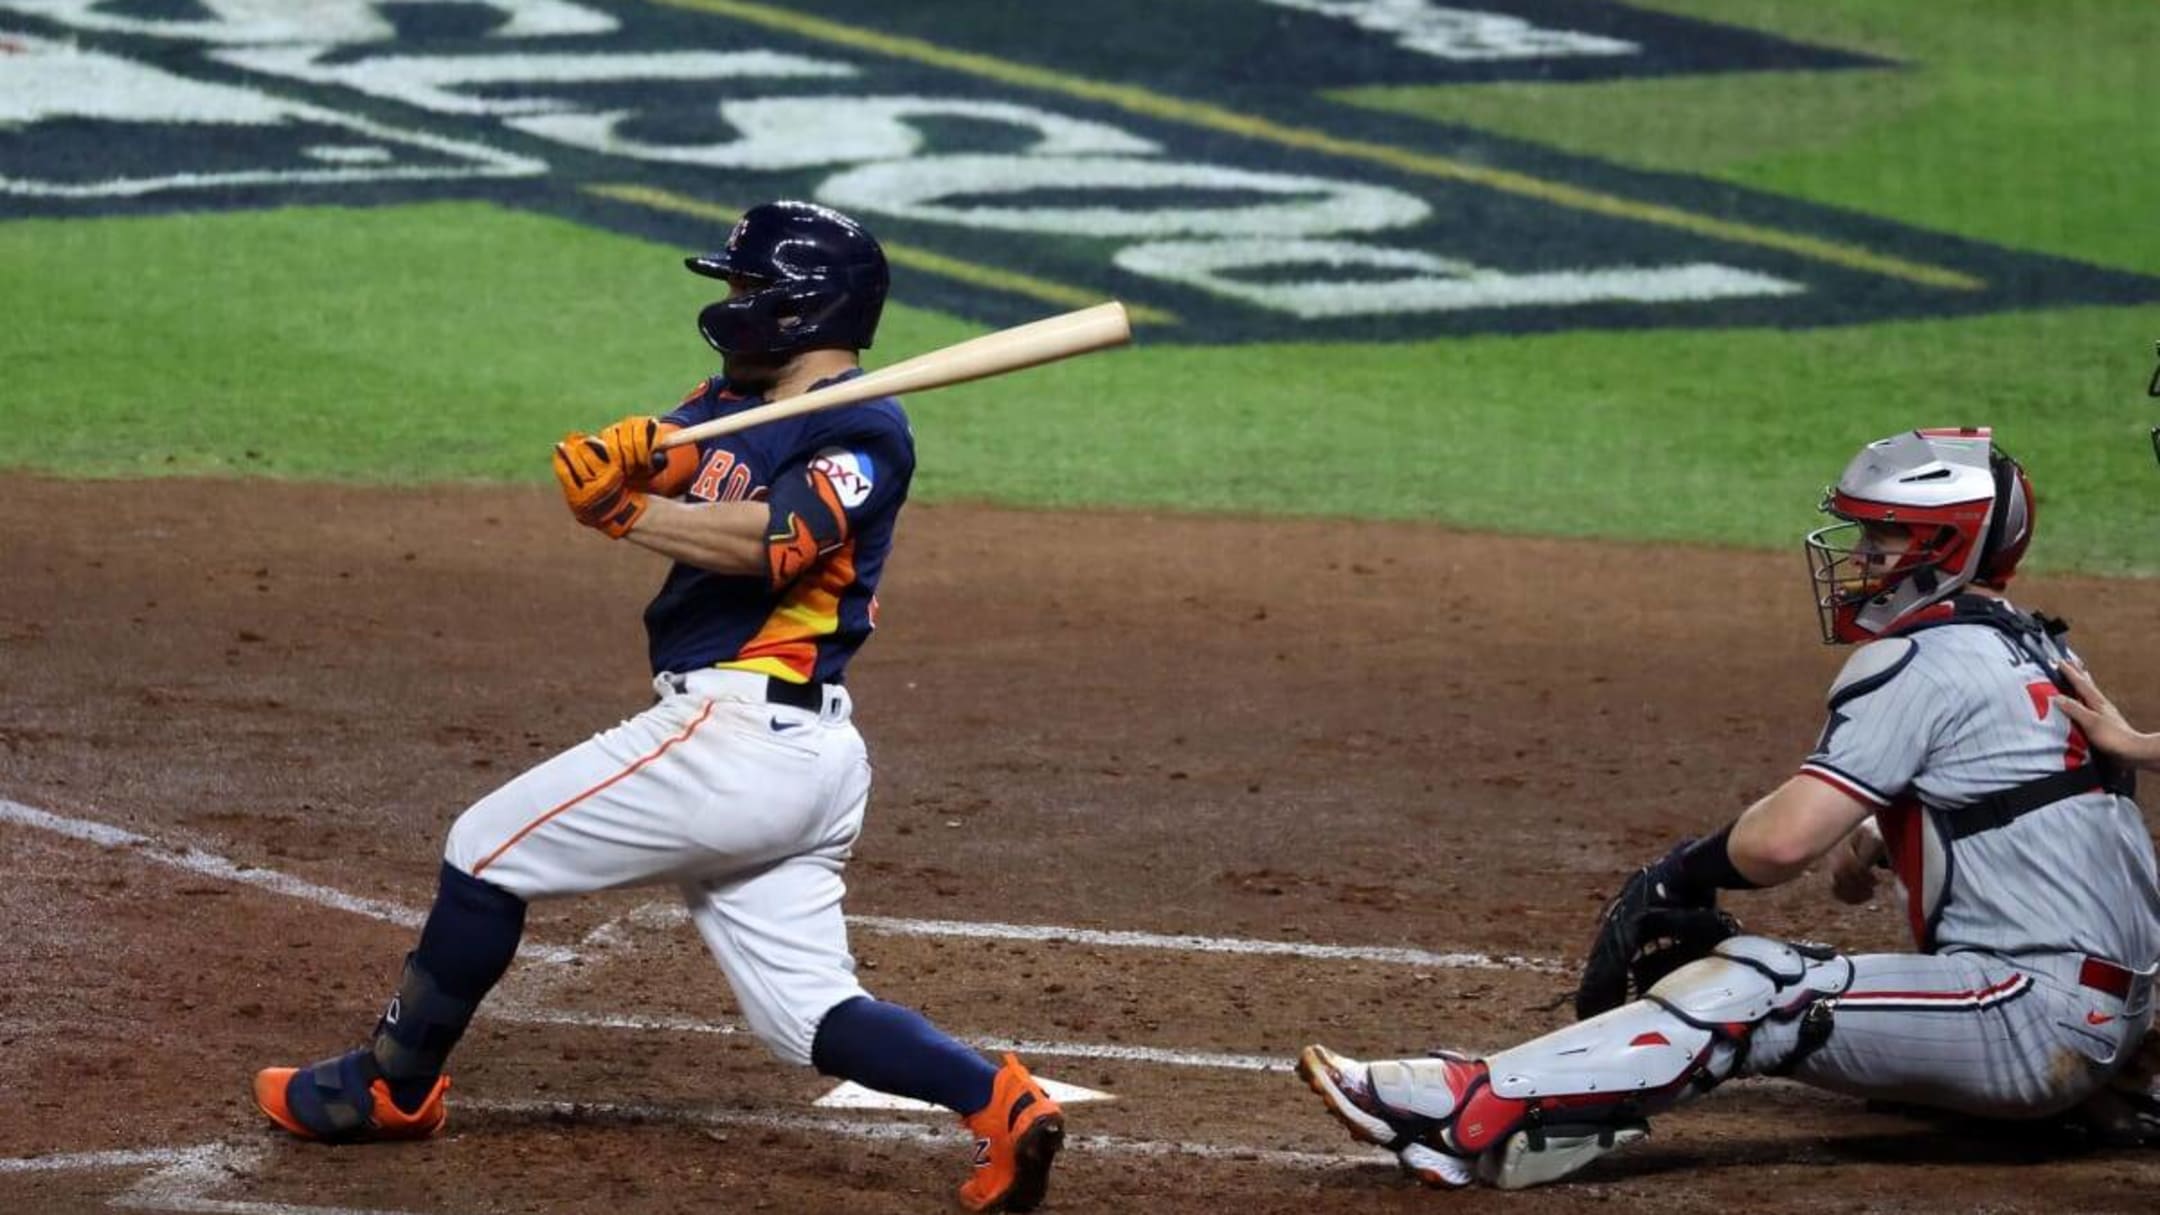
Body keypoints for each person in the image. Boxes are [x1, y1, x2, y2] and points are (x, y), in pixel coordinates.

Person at [252, 200, 1065, 1214]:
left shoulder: (867, 431)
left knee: (485, 849)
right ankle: (1002, 1105)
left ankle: (390, 1088)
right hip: (803, 762)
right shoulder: (746, 395)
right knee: (806, 1015)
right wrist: (638, 452)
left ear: (800, 308)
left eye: (745, 290)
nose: (729, 305)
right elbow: (694, 443)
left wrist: (631, 513)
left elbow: (774, 541)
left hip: (737, 742)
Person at [1295, 427, 2158, 1190]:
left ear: (1946, 545)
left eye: (1884, 534)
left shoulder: (1923, 660)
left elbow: (1782, 844)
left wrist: (1686, 868)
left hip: (2031, 1019)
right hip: (2110, 1016)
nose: (1860, 556)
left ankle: (1471, 1107)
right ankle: (2100, 1089)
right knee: (1784, 979)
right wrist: (1878, 841)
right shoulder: (2032, 644)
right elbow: (2025, 802)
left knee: (1768, 988)